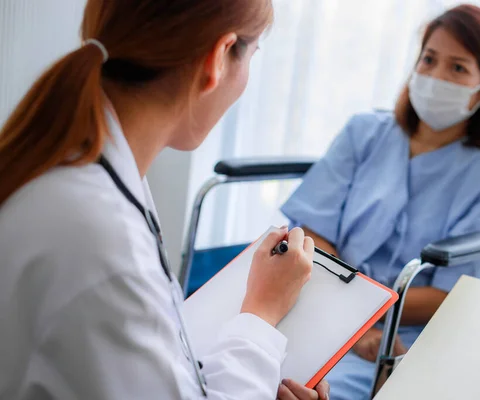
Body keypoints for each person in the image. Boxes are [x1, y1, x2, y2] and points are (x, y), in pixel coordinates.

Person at [0, 1, 330, 399]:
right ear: (219, 58)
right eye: (251, 55)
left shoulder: (82, 168)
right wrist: (261, 315)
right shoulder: (102, 238)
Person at [280, 4, 480, 399]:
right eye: (428, 59)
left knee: (310, 389)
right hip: (323, 301)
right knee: (236, 366)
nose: (435, 76)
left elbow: (451, 295)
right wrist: (348, 313)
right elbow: (314, 230)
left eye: (458, 68)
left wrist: (368, 323)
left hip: (399, 338)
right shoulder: (364, 133)